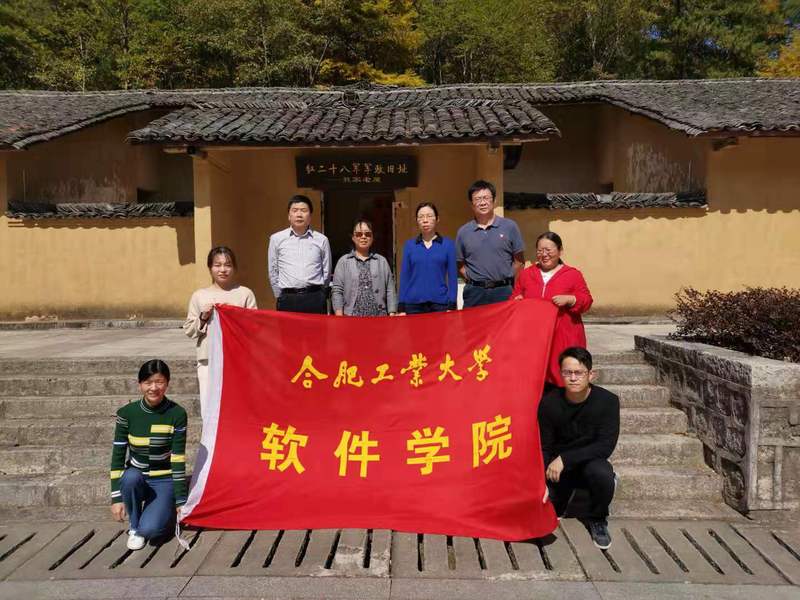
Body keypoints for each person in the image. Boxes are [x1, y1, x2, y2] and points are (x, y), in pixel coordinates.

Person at [539, 347, 619, 550]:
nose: (573, 378)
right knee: (548, 512)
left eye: (579, 373)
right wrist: (540, 480)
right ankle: (562, 497)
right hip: (558, 470)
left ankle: (598, 519)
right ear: (561, 374)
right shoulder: (549, 403)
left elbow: (605, 446)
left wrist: (565, 459)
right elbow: (545, 446)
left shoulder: (608, 402)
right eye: (567, 372)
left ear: (591, 374)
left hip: (589, 462)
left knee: (601, 473)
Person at [110, 360, 188, 550]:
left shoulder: (177, 414)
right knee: (130, 477)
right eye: (148, 382)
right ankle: (134, 526)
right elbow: (118, 456)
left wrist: (181, 500)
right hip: (137, 477)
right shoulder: (127, 413)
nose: (154, 388)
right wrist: (116, 498)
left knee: (152, 531)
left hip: (163, 479)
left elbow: (178, 459)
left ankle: (162, 511)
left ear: (167, 383)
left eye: (159, 382)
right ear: (140, 384)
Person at [183, 246, 257, 418]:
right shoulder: (200, 296)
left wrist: (237, 317)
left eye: (227, 265)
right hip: (208, 359)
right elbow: (190, 331)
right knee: (209, 407)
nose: (223, 269)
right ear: (210, 267)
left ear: (234, 267)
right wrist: (203, 317)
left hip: (238, 360)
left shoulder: (245, 294)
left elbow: (255, 328)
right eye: (217, 265)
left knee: (238, 406)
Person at [513, 231, 593, 387]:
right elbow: (515, 296)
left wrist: (571, 299)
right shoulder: (527, 274)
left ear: (560, 250)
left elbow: (587, 300)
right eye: (540, 251)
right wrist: (517, 301)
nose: (544, 255)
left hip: (563, 335)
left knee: (563, 377)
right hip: (534, 337)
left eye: (548, 250)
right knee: (535, 379)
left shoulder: (572, 274)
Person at [456, 180, 525, 308]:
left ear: (494, 200)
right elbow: (460, 264)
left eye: (486, 198)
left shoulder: (510, 227)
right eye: (477, 199)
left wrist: (513, 287)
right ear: (471, 204)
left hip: (504, 291)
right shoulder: (463, 232)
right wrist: (473, 279)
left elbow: (519, 262)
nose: (482, 203)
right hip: (475, 293)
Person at [268, 195, 332, 313]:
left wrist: (321, 294)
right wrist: (280, 296)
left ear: (310, 216)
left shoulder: (322, 240)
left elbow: (326, 271)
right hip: (288, 298)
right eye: (295, 210)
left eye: (303, 210)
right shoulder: (276, 239)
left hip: (315, 297)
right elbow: (273, 270)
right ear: (289, 216)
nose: (299, 214)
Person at [398, 202, 457, 314]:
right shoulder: (409, 245)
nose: (425, 220)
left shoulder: (448, 245)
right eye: (421, 217)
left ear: (437, 219)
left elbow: (452, 277)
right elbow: (405, 276)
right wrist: (401, 305)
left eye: (429, 216)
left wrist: (452, 303)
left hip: (440, 304)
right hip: (413, 305)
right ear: (416, 220)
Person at [331, 219, 397, 316]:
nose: (363, 237)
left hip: (378, 317)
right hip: (351, 317)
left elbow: (390, 289)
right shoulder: (344, 262)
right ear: (353, 237)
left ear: (372, 238)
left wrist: (392, 313)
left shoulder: (381, 261)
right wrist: (339, 315)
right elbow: (337, 290)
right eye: (359, 234)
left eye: (368, 234)